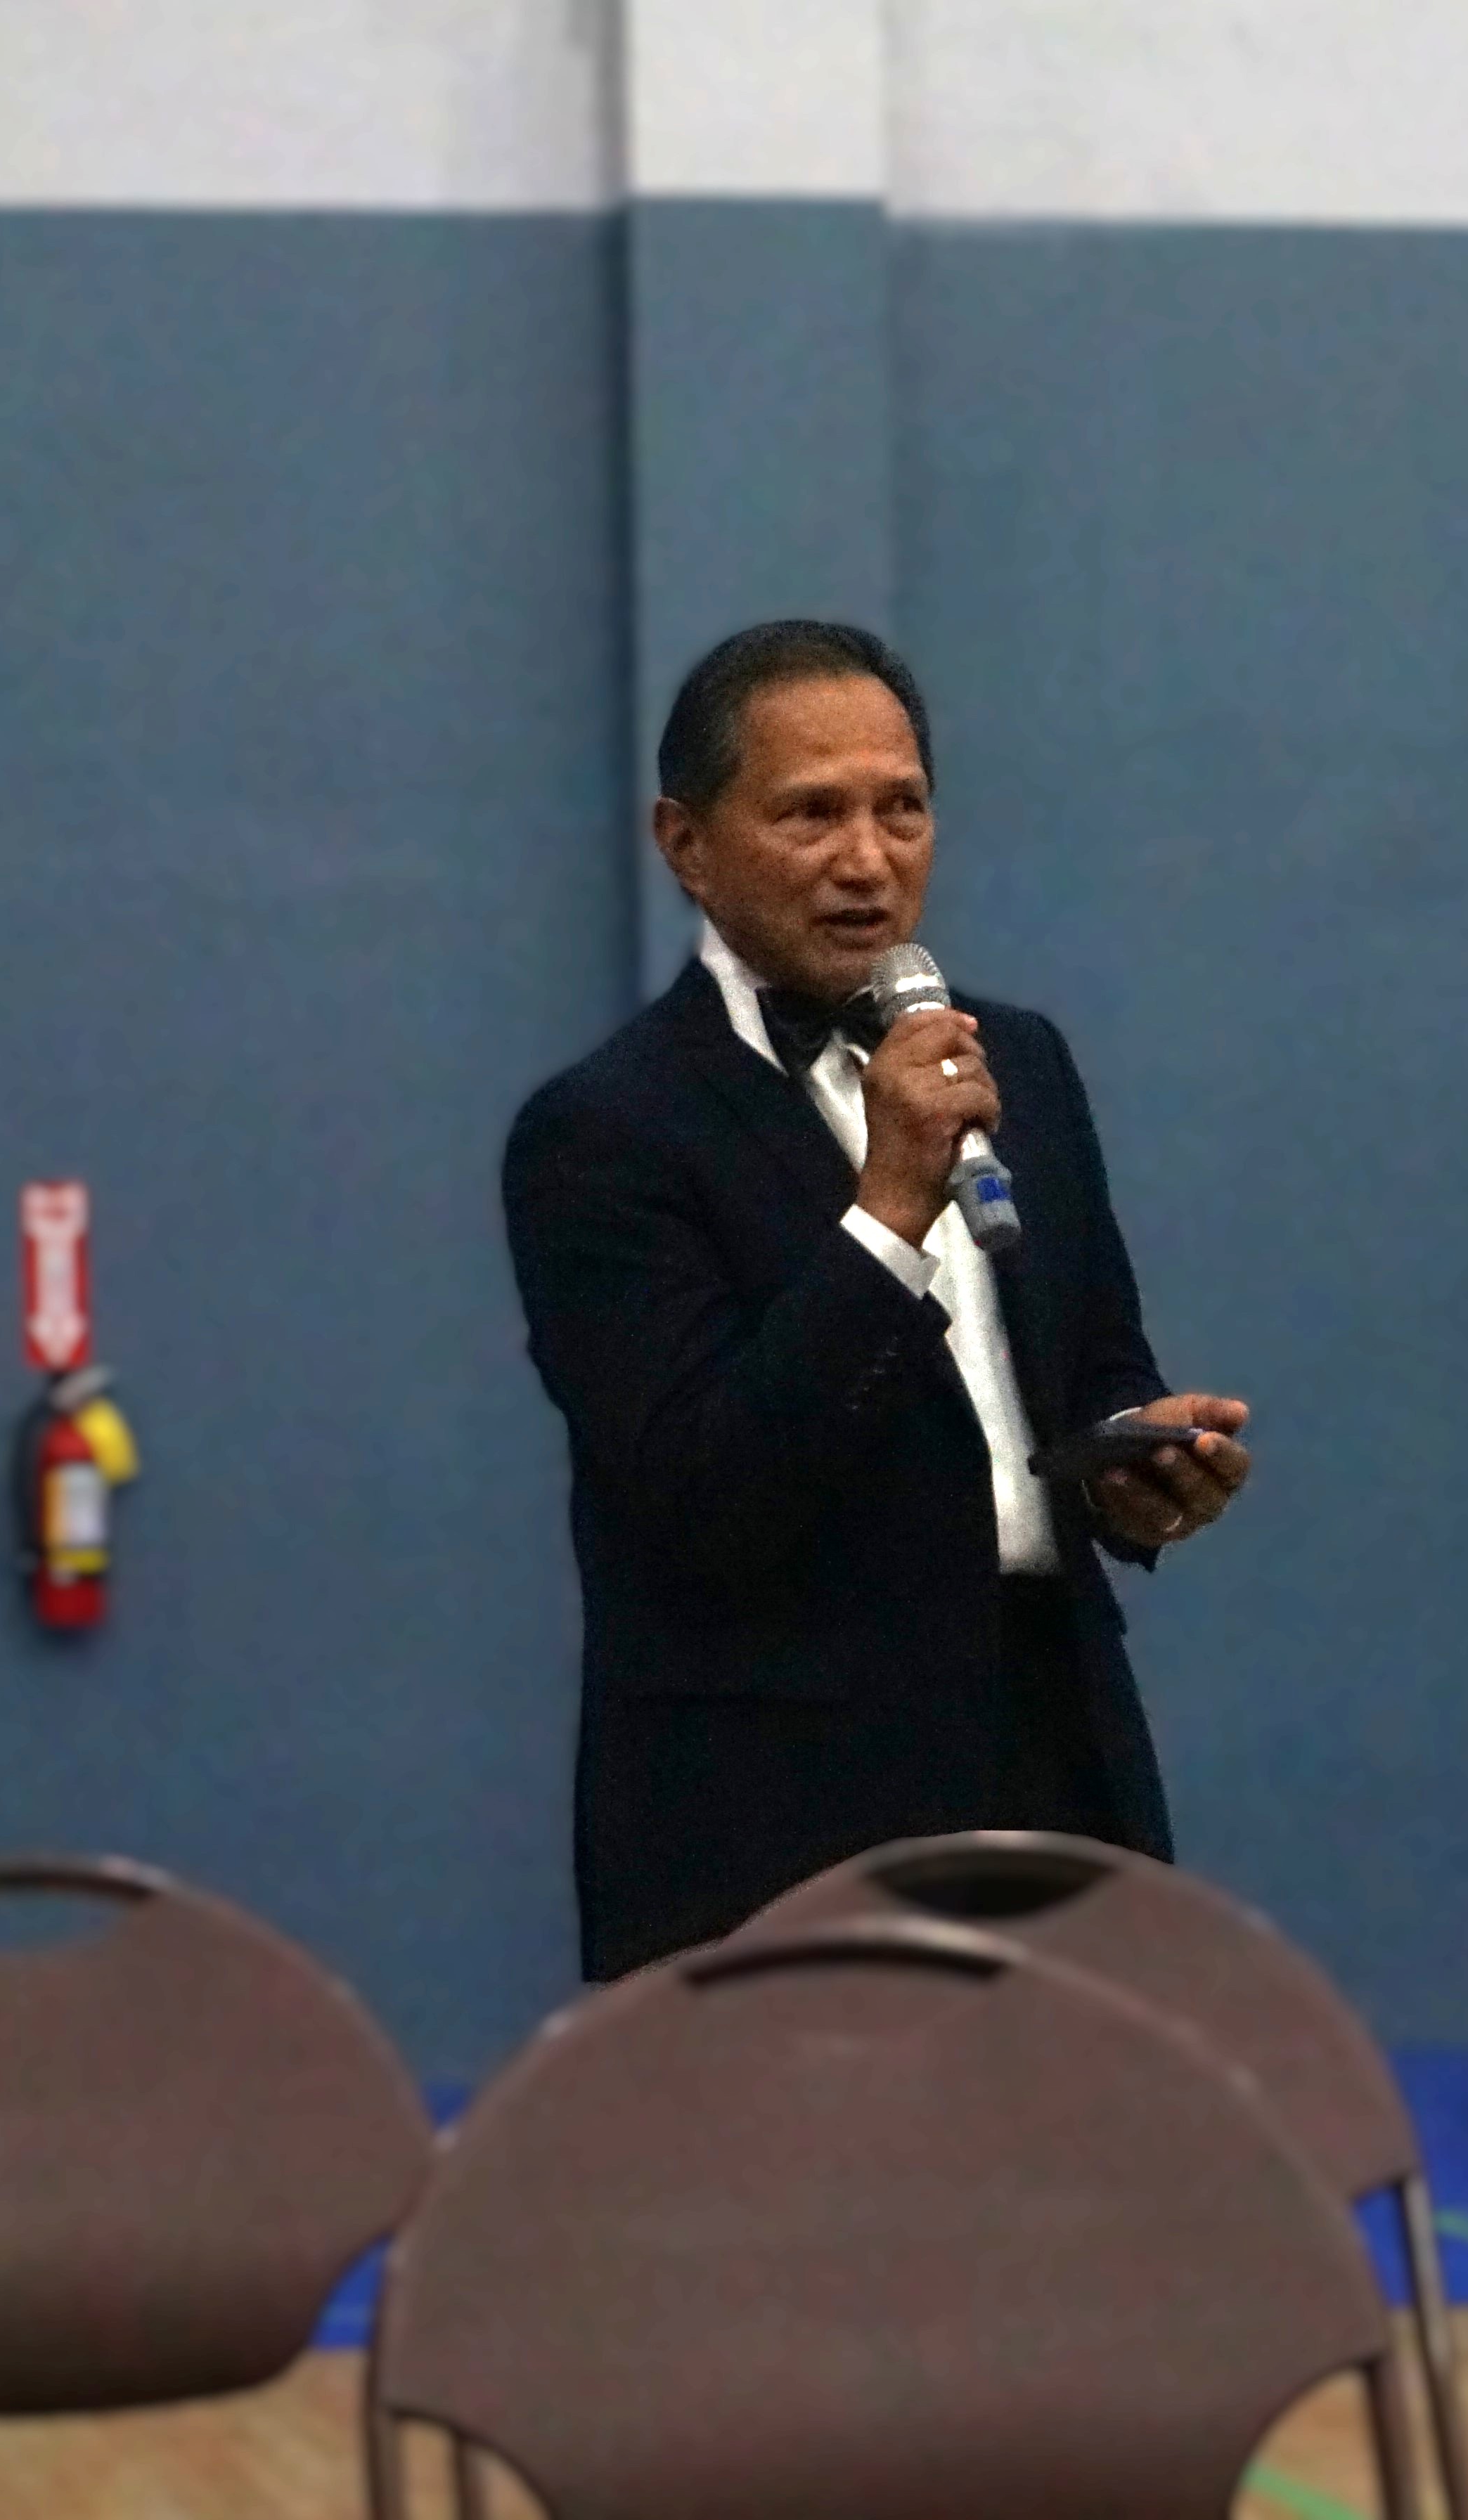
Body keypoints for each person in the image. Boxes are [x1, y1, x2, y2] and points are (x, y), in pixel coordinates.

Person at [503, 620, 1251, 1978]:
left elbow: (1087, 1363)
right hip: (772, 1813)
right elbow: (699, 1482)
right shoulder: (605, 1134)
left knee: (1075, 2184)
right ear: (686, 844)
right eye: (811, 814)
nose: (867, 857)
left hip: (1048, 1756)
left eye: (899, 807)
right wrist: (888, 1203)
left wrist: (1132, 1461)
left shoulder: (1017, 1059)